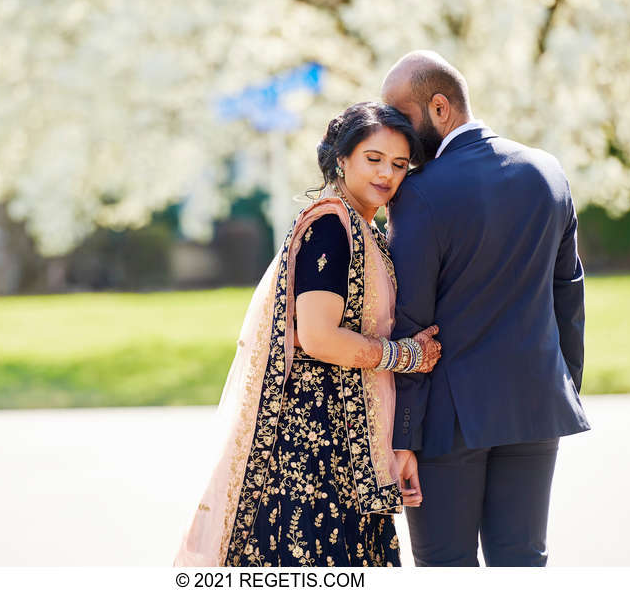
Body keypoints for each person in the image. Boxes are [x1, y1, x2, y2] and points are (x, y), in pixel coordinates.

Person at [174, 102, 442, 567]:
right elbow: (318, 336)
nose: (387, 175)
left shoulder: (363, 229)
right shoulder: (331, 228)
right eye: (373, 159)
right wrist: (405, 356)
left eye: (399, 165)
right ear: (342, 158)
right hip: (312, 448)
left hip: (345, 444)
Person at [381, 50, 590, 567]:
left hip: (448, 423)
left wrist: (403, 435)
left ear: (439, 107)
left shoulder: (419, 194)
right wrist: (562, 383)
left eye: (400, 119)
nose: (394, 136)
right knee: (522, 563)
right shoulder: (549, 172)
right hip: (535, 405)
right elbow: (569, 291)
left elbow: (412, 322)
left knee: (445, 566)